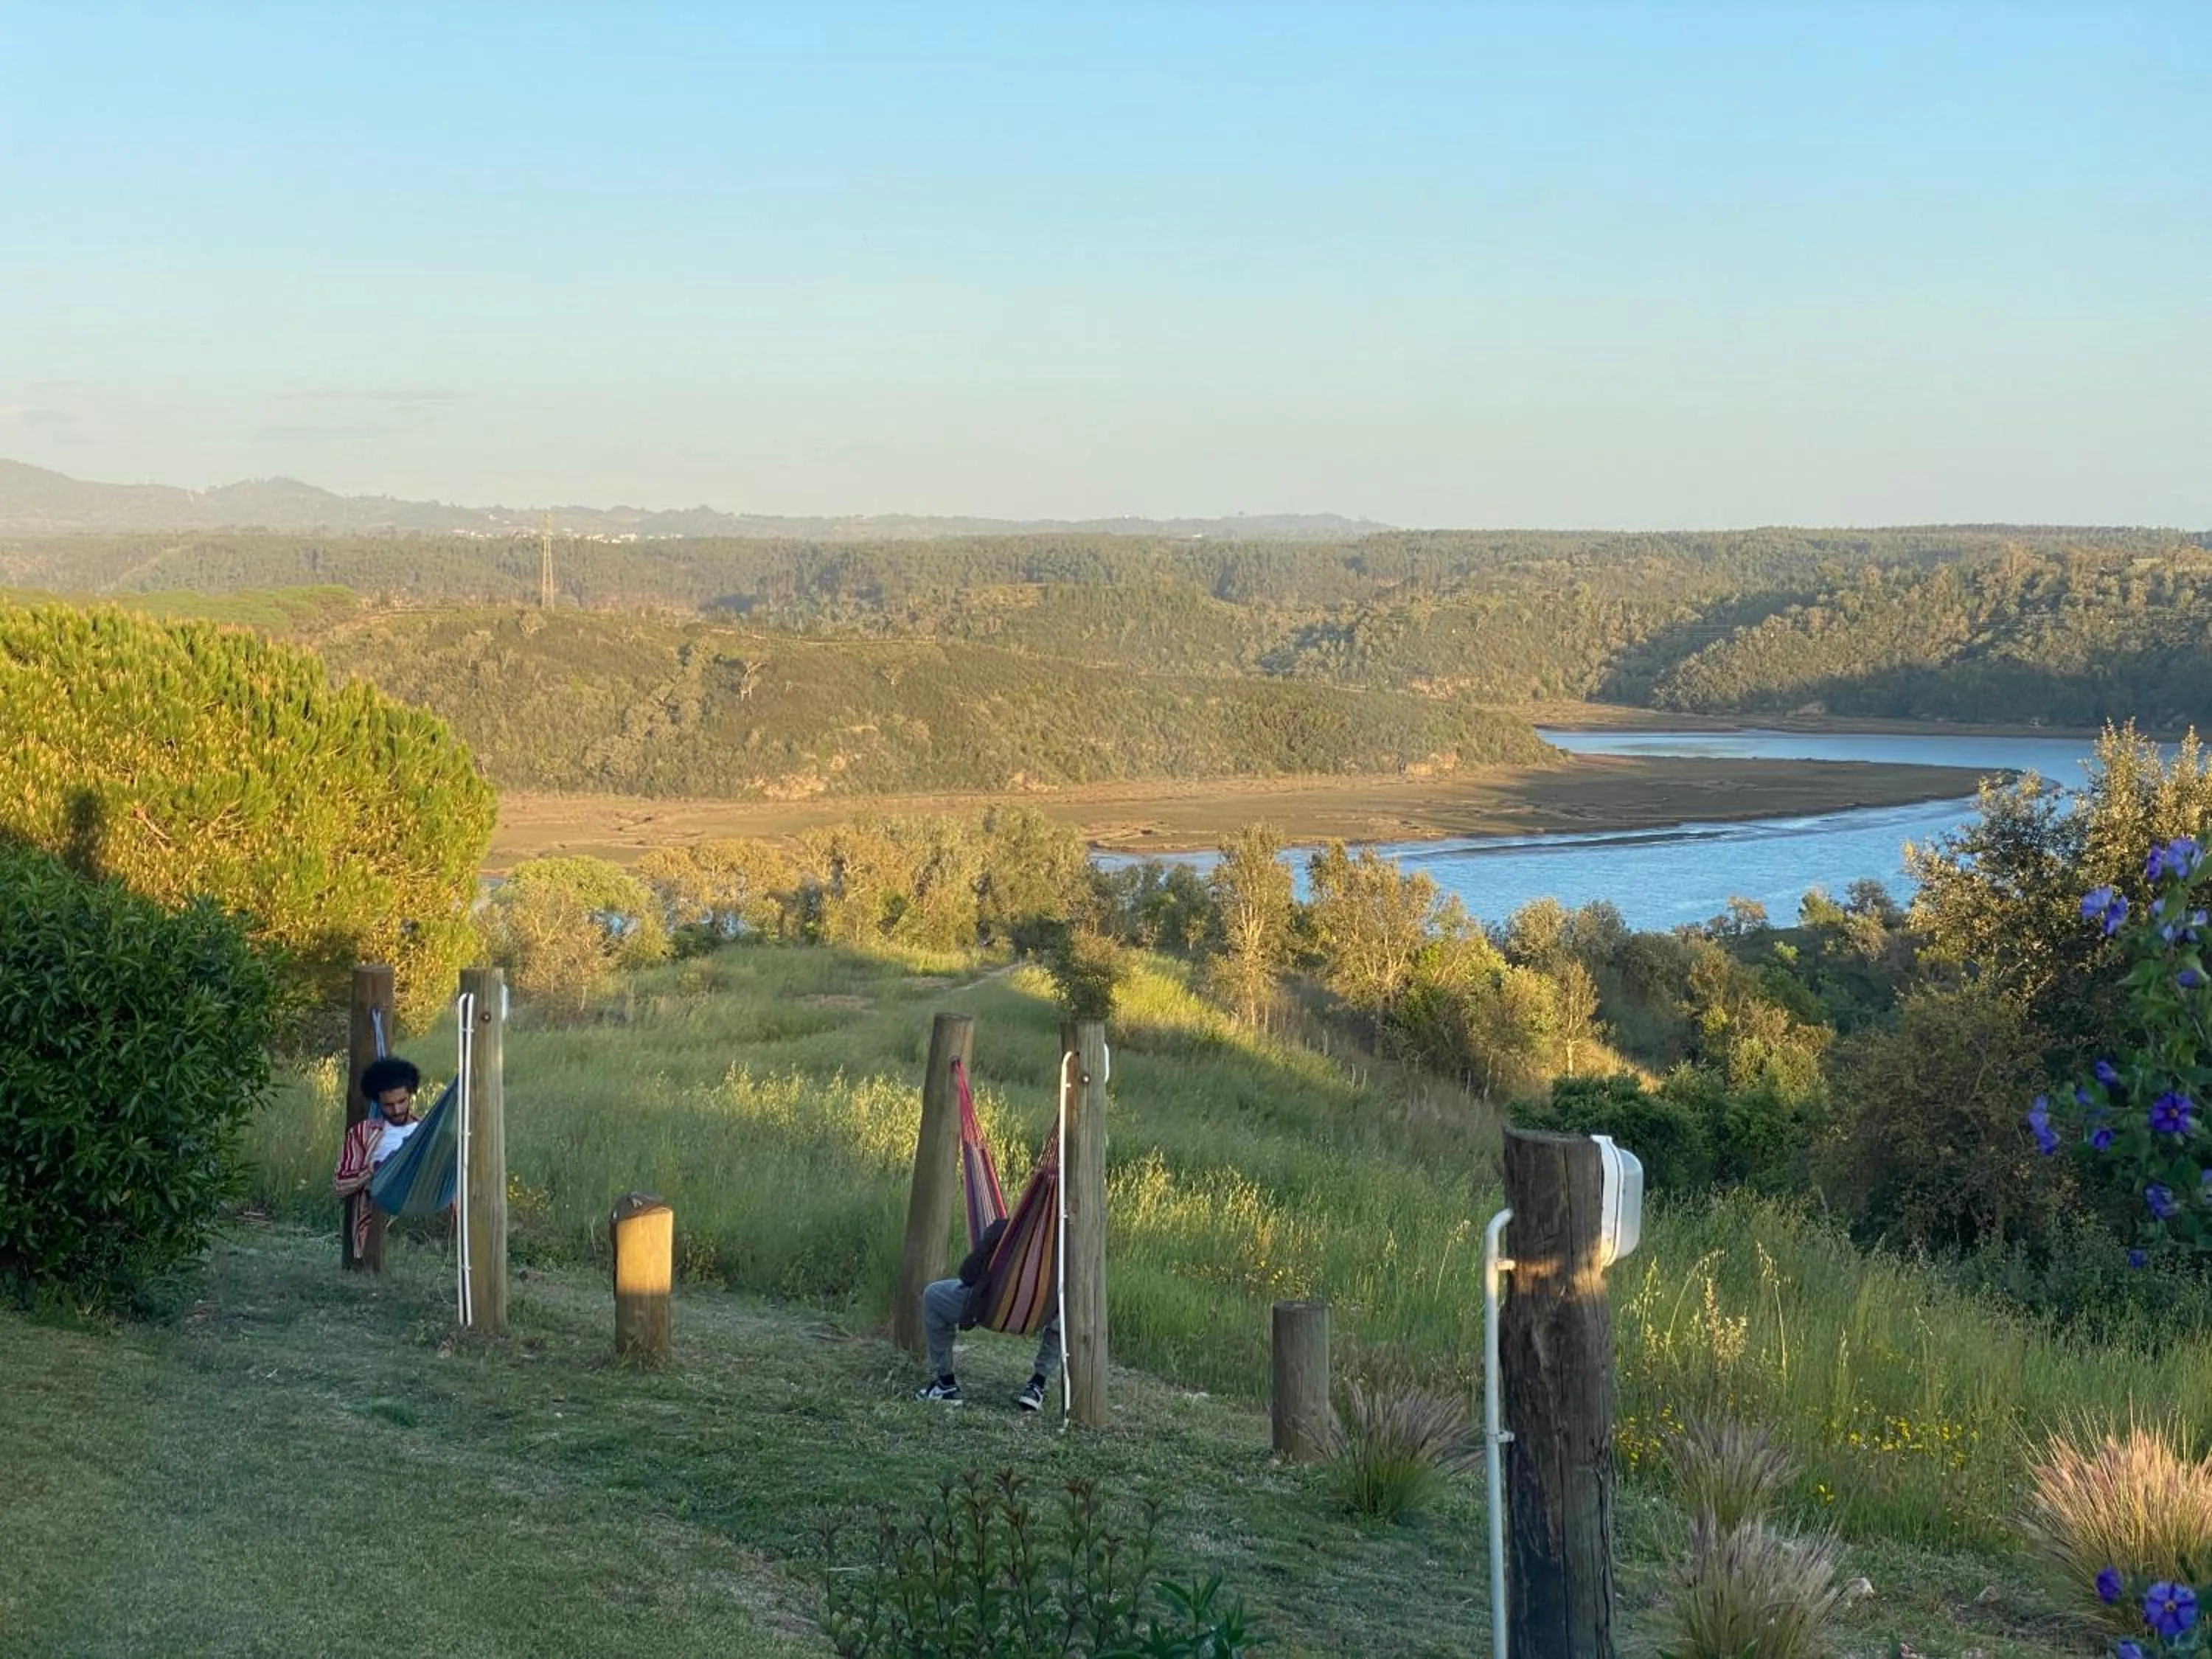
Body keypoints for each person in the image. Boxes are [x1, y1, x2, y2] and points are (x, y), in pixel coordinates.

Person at [914, 1217, 1061, 1411]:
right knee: (1067, 1310)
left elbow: (967, 1275)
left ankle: (946, 1383)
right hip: (1039, 1316)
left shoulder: (1004, 1230)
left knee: (933, 1295)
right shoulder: (1067, 1245)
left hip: (989, 1310)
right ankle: (1037, 1384)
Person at [333, 1057, 424, 1262]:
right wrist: (372, 1170)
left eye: (402, 1101)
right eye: (388, 1105)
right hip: (381, 1191)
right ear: (377, 1102)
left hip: (421, 1189)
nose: (397, 1110)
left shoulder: (426, 1131)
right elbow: (339, 1186)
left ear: (411, 1095)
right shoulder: (363, 1133)